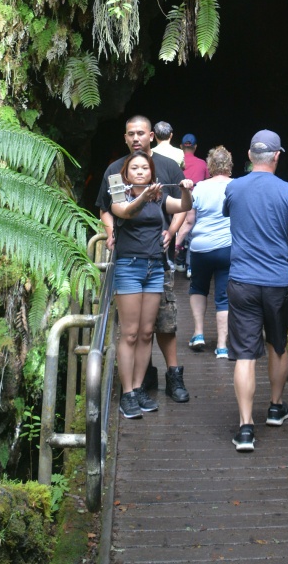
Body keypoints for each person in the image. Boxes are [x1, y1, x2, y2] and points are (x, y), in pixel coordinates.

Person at [222, 130, 288, 452]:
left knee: (245, 354)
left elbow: (230, 215)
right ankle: (275, 407)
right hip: (277, 282)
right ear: (277, 156)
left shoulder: (234, 187)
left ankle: (246, 428)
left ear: (249, 155)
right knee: (277, 344)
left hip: (243, 281)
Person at [97, 115, 191, 403]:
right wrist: (111, 231)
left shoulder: (167, 169)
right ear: (125, 138)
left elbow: (180, 206)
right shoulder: (115, 171)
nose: (136, 138)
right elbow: (112, 209)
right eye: (130, 134)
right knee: (131, 331)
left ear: (151, 136)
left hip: (157, 258)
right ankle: (132, 389)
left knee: (156, 324)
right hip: (129, 259)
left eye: (141, 133)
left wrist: (172, 232)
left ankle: (159, 379)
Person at [177, 145, 234, 358]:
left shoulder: (199, 188)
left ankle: (199, 334)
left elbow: (189, 220)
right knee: (223, 297)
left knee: (198, 288)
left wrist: (176, 243)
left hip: (201, 249)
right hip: (228, 248)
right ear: (229, 166)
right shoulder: (237, 186)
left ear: (209, 167)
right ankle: (221, 346)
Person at [175, 136, 208, 272]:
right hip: (195, 201)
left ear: (181, 147)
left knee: (177, 230)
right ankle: (190, 267)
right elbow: (206, 182)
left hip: (177, 200)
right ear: (195, 147)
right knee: (193, 233)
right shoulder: (202, 164)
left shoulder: (177, 162)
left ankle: (178, 261)